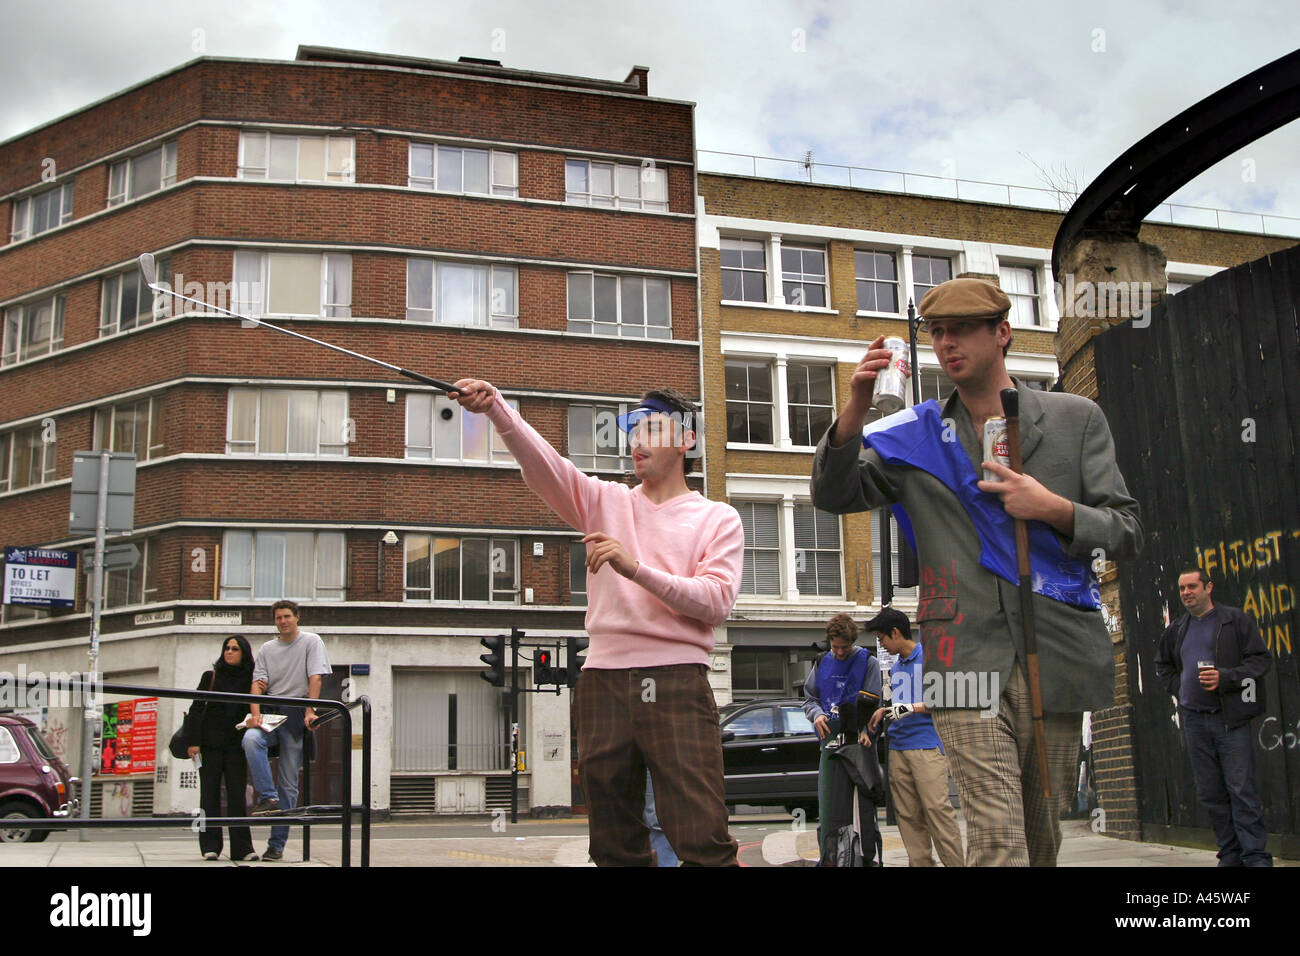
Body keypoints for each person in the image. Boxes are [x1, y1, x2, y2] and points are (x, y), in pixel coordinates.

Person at [812, 276, 1143, 866]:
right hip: (961, 657)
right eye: (937, 332)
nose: (947, 343)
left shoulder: (1076, 420)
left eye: (962, 329)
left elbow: (1126, 530)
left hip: (1057, 651)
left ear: (1003, 332)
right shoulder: (912, 436)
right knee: (994, 834)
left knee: (1042, 836)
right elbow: (835, 493)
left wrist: (1053, 508)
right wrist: (855, 410)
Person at [450, 380, 742, 866]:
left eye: (649, 428)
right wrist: (498, 409)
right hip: (601, 679)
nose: (635, 442)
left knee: (700, 835)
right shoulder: (605, 501)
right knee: (611, 842)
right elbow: (546, 469)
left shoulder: (717, 518)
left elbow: (715, 602)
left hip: (674, 679)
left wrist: (636, 569)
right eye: (631, 431)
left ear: (686, 440)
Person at [1154, 569, 1272, 867]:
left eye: (1192, 586)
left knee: (1241, 790)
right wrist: (1180, 688)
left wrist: (1227, 678)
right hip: (1194, 720)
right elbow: (1163, 665)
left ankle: (1256, 857)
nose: (1186, 593)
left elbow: (1260, 660)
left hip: (1229, 719)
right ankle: (1230, 856)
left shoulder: (1234, 620)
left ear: (1209, 587)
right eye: (1182, 588)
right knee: (1211, 793)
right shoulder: (1177, 628)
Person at [865, 607, 964, 867]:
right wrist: (885, 711)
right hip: (898, 746)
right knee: (908, 817)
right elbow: (900, 703)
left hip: (926, 745)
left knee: (937, 812)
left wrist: (909, 708)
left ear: (895, 633)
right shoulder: (897, 666)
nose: (882, 645)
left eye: (882, 638)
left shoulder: (929, 657)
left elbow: (945, 699)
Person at [243, 600, 331, 862]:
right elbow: (257, 685)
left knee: (289, 783)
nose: (282, 621)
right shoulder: (267, 649)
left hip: (295, 710)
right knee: (250, 739)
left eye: (286, 617)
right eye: (278, 617)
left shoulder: (311, 641)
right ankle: (267, 798)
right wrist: (255, 715)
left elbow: (316, 677)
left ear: (297, 618)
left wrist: (309, 710)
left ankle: (276, 845)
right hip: (271, 711)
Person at [801, 612, 881, 864]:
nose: (840, 652)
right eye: (835, 647)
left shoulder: (869, 662)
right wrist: (816, 715)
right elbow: (809, 699)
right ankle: (831, 858)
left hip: (858, 744)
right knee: (828, 812)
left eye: (845, 647)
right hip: (830, 743)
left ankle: (863, 859)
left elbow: (874, 705)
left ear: (852, 642)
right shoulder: (822, 661)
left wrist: (869, 731)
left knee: (862, 811)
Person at [187, 635, 258, 862]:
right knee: (209, 795)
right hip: (209, 746)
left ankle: (242, 848)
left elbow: (258, 709)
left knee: (238, 795)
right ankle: (210, 846)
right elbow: (197, 710)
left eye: (234, 649)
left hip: (236, 746)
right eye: (226, 648)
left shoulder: (251, 679)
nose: (229, 652)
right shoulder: (210, 677)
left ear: (243, 653)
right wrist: (193, 742)